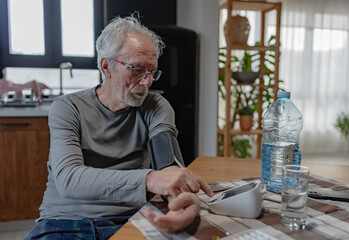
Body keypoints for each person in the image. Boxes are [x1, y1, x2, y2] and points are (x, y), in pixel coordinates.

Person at [24, 15, 213, 239]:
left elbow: (167, 166)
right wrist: (149, 179)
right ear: (107, 66)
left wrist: (180, 202)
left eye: (152, 72)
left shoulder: (156, 107)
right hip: (65, 220)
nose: (147, 82)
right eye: (137, 70)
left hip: (129, 219)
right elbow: (69, 178)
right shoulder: (67, 107)